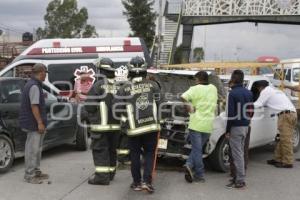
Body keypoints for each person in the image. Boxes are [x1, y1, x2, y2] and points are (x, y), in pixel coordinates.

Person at [116, 56, 161, 193]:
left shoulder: (124, 88)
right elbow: (160, 104)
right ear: (144, 69)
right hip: (151, 127)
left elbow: (117, 108)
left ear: (129, 70)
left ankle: (136, 183)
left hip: (133, 129)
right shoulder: (153, 85)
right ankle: (147, 182)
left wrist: (125, 124)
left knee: (134, 155)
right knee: (149, 154)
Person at [85, 58, 121, 185]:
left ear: (101, 70)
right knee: (112, 150)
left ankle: (101, 177)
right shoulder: (119, 86)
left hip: (101, 127)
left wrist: (91, 117)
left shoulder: (98, 85)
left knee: (100, 150)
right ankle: (110, 174)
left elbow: (89, 106)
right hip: (116, 127)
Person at [181, 71, 218, 183]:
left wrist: (190, 108)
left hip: (196, 124)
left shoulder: (194, 89)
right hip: (208, 125)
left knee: (197, 150)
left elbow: (183, 97)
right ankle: (188, 165)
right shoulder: (213, 88)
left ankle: (200, 175)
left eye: (195, 79)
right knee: (198, 149)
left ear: (198, 79)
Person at [254, 80, 297, 168]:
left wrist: (244, 104)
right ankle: (278, 159)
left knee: (285, 140)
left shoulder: (266, 91)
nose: (258, 91)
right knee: (281, 139)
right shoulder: (274, 90)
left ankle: (287, 162)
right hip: (289, 114)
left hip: (286, 115)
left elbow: (258, 104)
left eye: (258, 89)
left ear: (260, 87)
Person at [19, 63, 49, 184]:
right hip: (33, 124)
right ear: (41, 72)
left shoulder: (34, 84)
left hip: (34, 123)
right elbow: (34, 106)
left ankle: (36, 172)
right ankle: (29, 175)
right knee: (32, 150)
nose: (45, 75)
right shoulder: (34, 86)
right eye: (45, 73)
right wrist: (40, 123)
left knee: (37, 149)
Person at [225, 70, 253, 189]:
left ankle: (240, 180)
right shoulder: (248, 92)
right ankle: (237, 178)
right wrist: (246, 121)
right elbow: (251, 110)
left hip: (236, 127)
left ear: (232, 79)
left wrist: (227, 130)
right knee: (240, 152)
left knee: (237, 154)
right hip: (245, 126)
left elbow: (231, 114)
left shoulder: (232, 93)